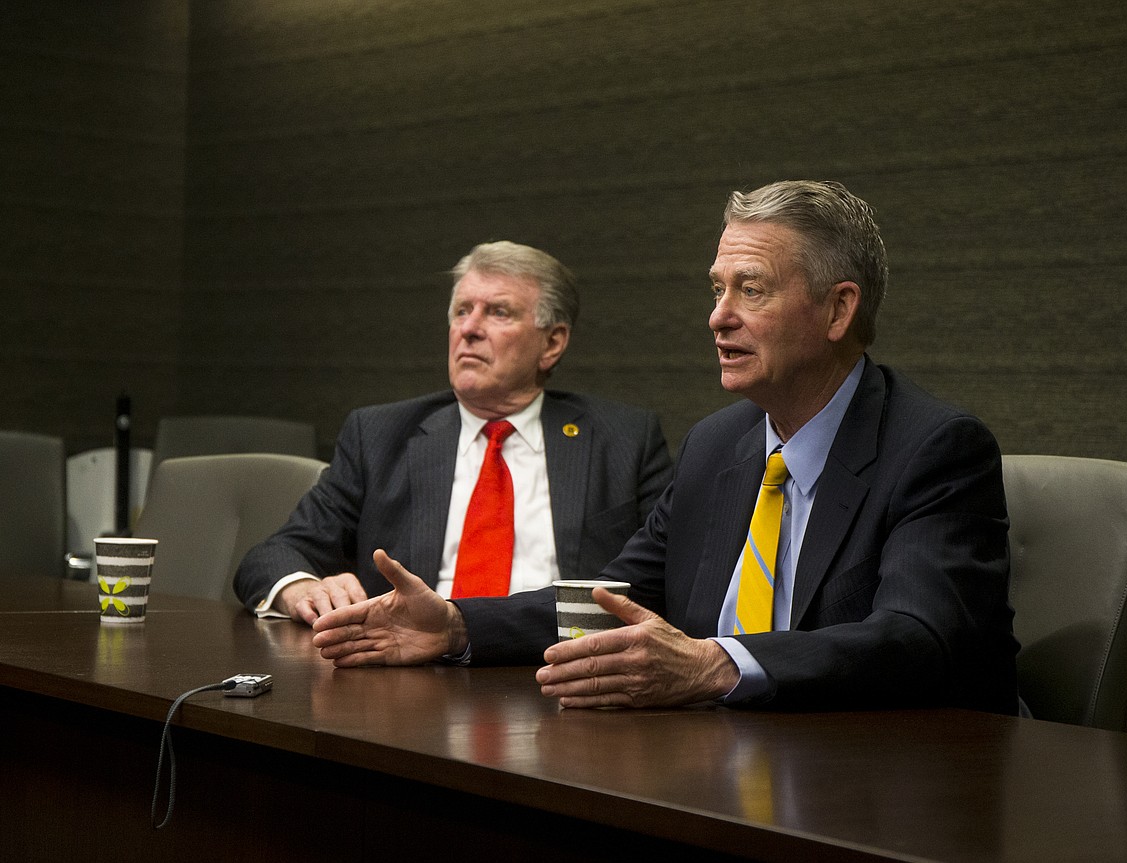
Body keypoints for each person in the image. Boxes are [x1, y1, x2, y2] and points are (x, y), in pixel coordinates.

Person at [310, 181, 1020, 715]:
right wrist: (459, 623)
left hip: (894, 779)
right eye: (716, 289)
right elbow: (615, 595)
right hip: (726, 763)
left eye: (751, 289)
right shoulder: (719, 445)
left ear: (839, 309)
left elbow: (918, 638)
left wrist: (716, 663)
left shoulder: (934, 447)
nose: (718, 316)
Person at [234, 240, 672, 623]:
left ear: (552, 343)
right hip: (410, 669)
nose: (469, 328)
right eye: (462, 311)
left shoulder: (624, 440)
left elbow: (667, 578)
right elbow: (273, 556)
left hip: (557, 664)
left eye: (498, 312)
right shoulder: (380, 435)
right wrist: (298, 588)